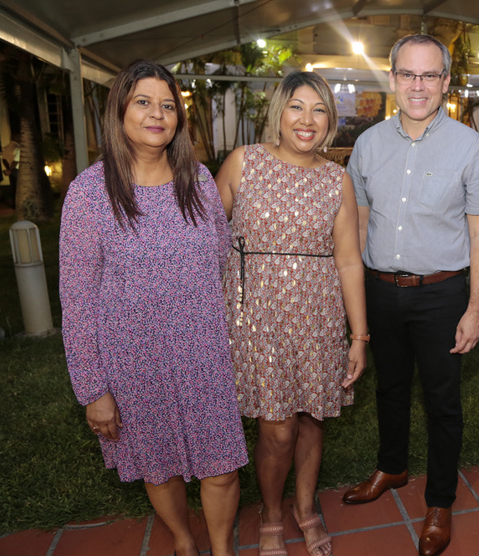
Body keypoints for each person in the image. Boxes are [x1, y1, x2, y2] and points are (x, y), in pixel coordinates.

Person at [59, 59, 248, 556]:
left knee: (222, 468)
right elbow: (76, 302)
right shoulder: (89, 194)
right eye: (143, 102)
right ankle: (185, 543)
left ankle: (222, 550)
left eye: (168, 105)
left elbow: (222, 261)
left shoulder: (200, 182)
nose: (157, 113)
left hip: (203, 354)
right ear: (119, 110)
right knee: (158, 466)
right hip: (133, 362)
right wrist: (92, 389)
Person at [341, 34, 479, 556]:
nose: (418, 85)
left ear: (446, 83)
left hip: (442, 293)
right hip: (382, 289)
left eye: (430, 75)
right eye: (407, 74)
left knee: (441, 400)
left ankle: (440, 500)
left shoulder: (469, 146)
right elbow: (359, 226)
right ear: (391, 79)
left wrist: (476, 308)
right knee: (388, 388)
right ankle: (392, 466)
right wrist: (358, 301)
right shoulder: (367, 145)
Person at [215, 71, 367, 556]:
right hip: (255, 318)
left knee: (311, 420)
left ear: (330, 122)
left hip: (317, 316)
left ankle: (305, 508)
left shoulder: (337, 180)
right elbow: (206, 242)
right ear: (278, 112)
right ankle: (273, 513)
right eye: (297, 107)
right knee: (277, 428)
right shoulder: (244, 163)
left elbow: (347, 259)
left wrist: (359, 336)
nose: (307, 120)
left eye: (319, 110)